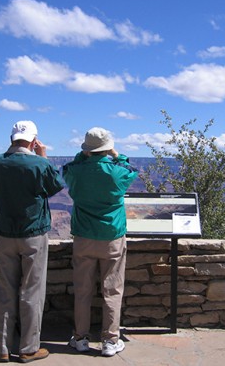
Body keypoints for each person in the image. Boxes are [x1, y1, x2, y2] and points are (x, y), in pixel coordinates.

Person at [0, 120, 64, 364]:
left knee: (5, 291)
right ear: (33, 141)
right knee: (32, 292)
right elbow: (55, 187)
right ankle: (28, 348)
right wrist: (44, 158)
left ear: (11, 139)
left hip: (4, 235)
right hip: (33, 234)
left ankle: (2, 348)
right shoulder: (38, 163)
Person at [62, 127, 138, 357]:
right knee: (112, 290)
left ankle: (81, 338)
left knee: (83, 290)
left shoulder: (76, 171)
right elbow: (132, 170)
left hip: (84, 236)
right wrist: (116, 154)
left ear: (86, 149)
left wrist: (82, 155)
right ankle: (110, 341)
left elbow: (65, 169)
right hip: (112, 236)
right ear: (107, 148)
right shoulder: (117, 172)